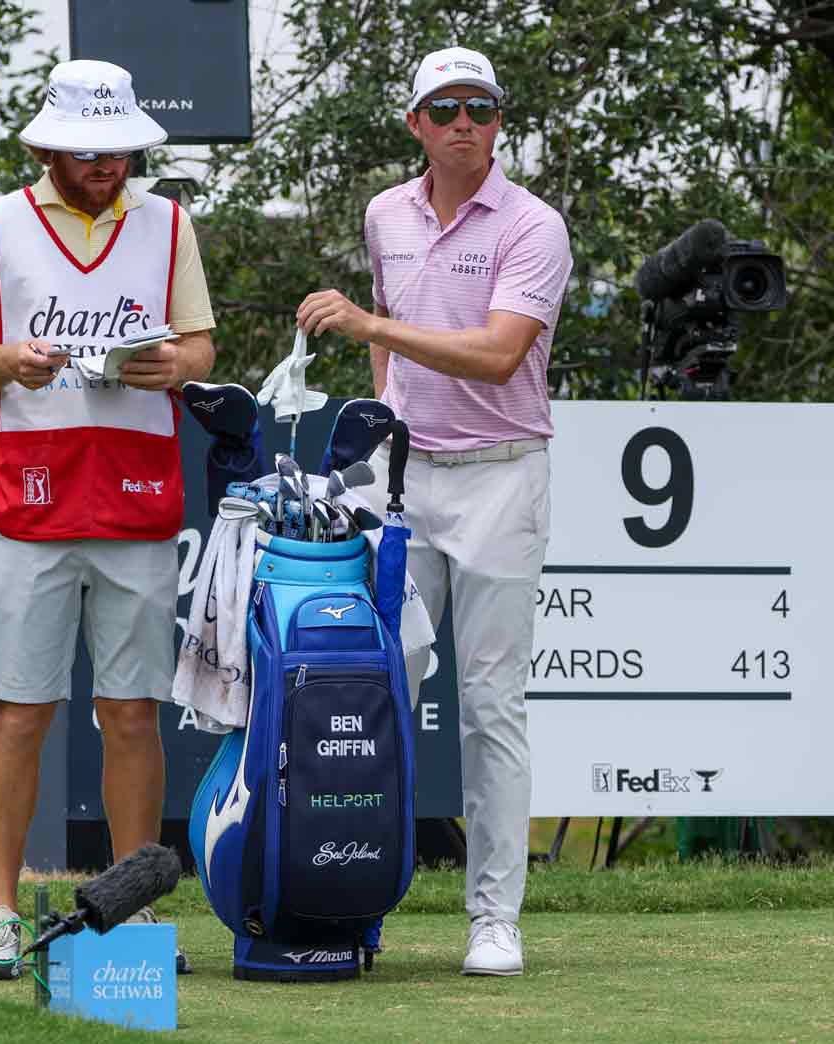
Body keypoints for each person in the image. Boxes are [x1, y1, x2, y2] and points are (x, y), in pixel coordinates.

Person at [295, 45, 571, 977]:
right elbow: (389, 324)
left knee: (491, 707)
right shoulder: (386, 214)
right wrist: (384, 418)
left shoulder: (534, 226)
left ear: (498, 123)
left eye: (480, 108)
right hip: (407, 481)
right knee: (379, 693)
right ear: (415, 122)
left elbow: (497, 356)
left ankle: (495, 917)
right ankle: (354, 896)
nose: (464, 123)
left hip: (502, 477)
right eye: (446, 107)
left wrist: (372, 330)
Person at [0, 58, 217, 981]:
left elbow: (201, 345)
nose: (107, 166)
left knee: (132, 714)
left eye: (120, 151)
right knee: (18, 711)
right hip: (33, 499)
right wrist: (8, 361)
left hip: (138, 497)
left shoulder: (169, 223)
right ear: (48, 148)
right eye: (90, 151)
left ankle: (132, 915)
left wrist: (175, 364)